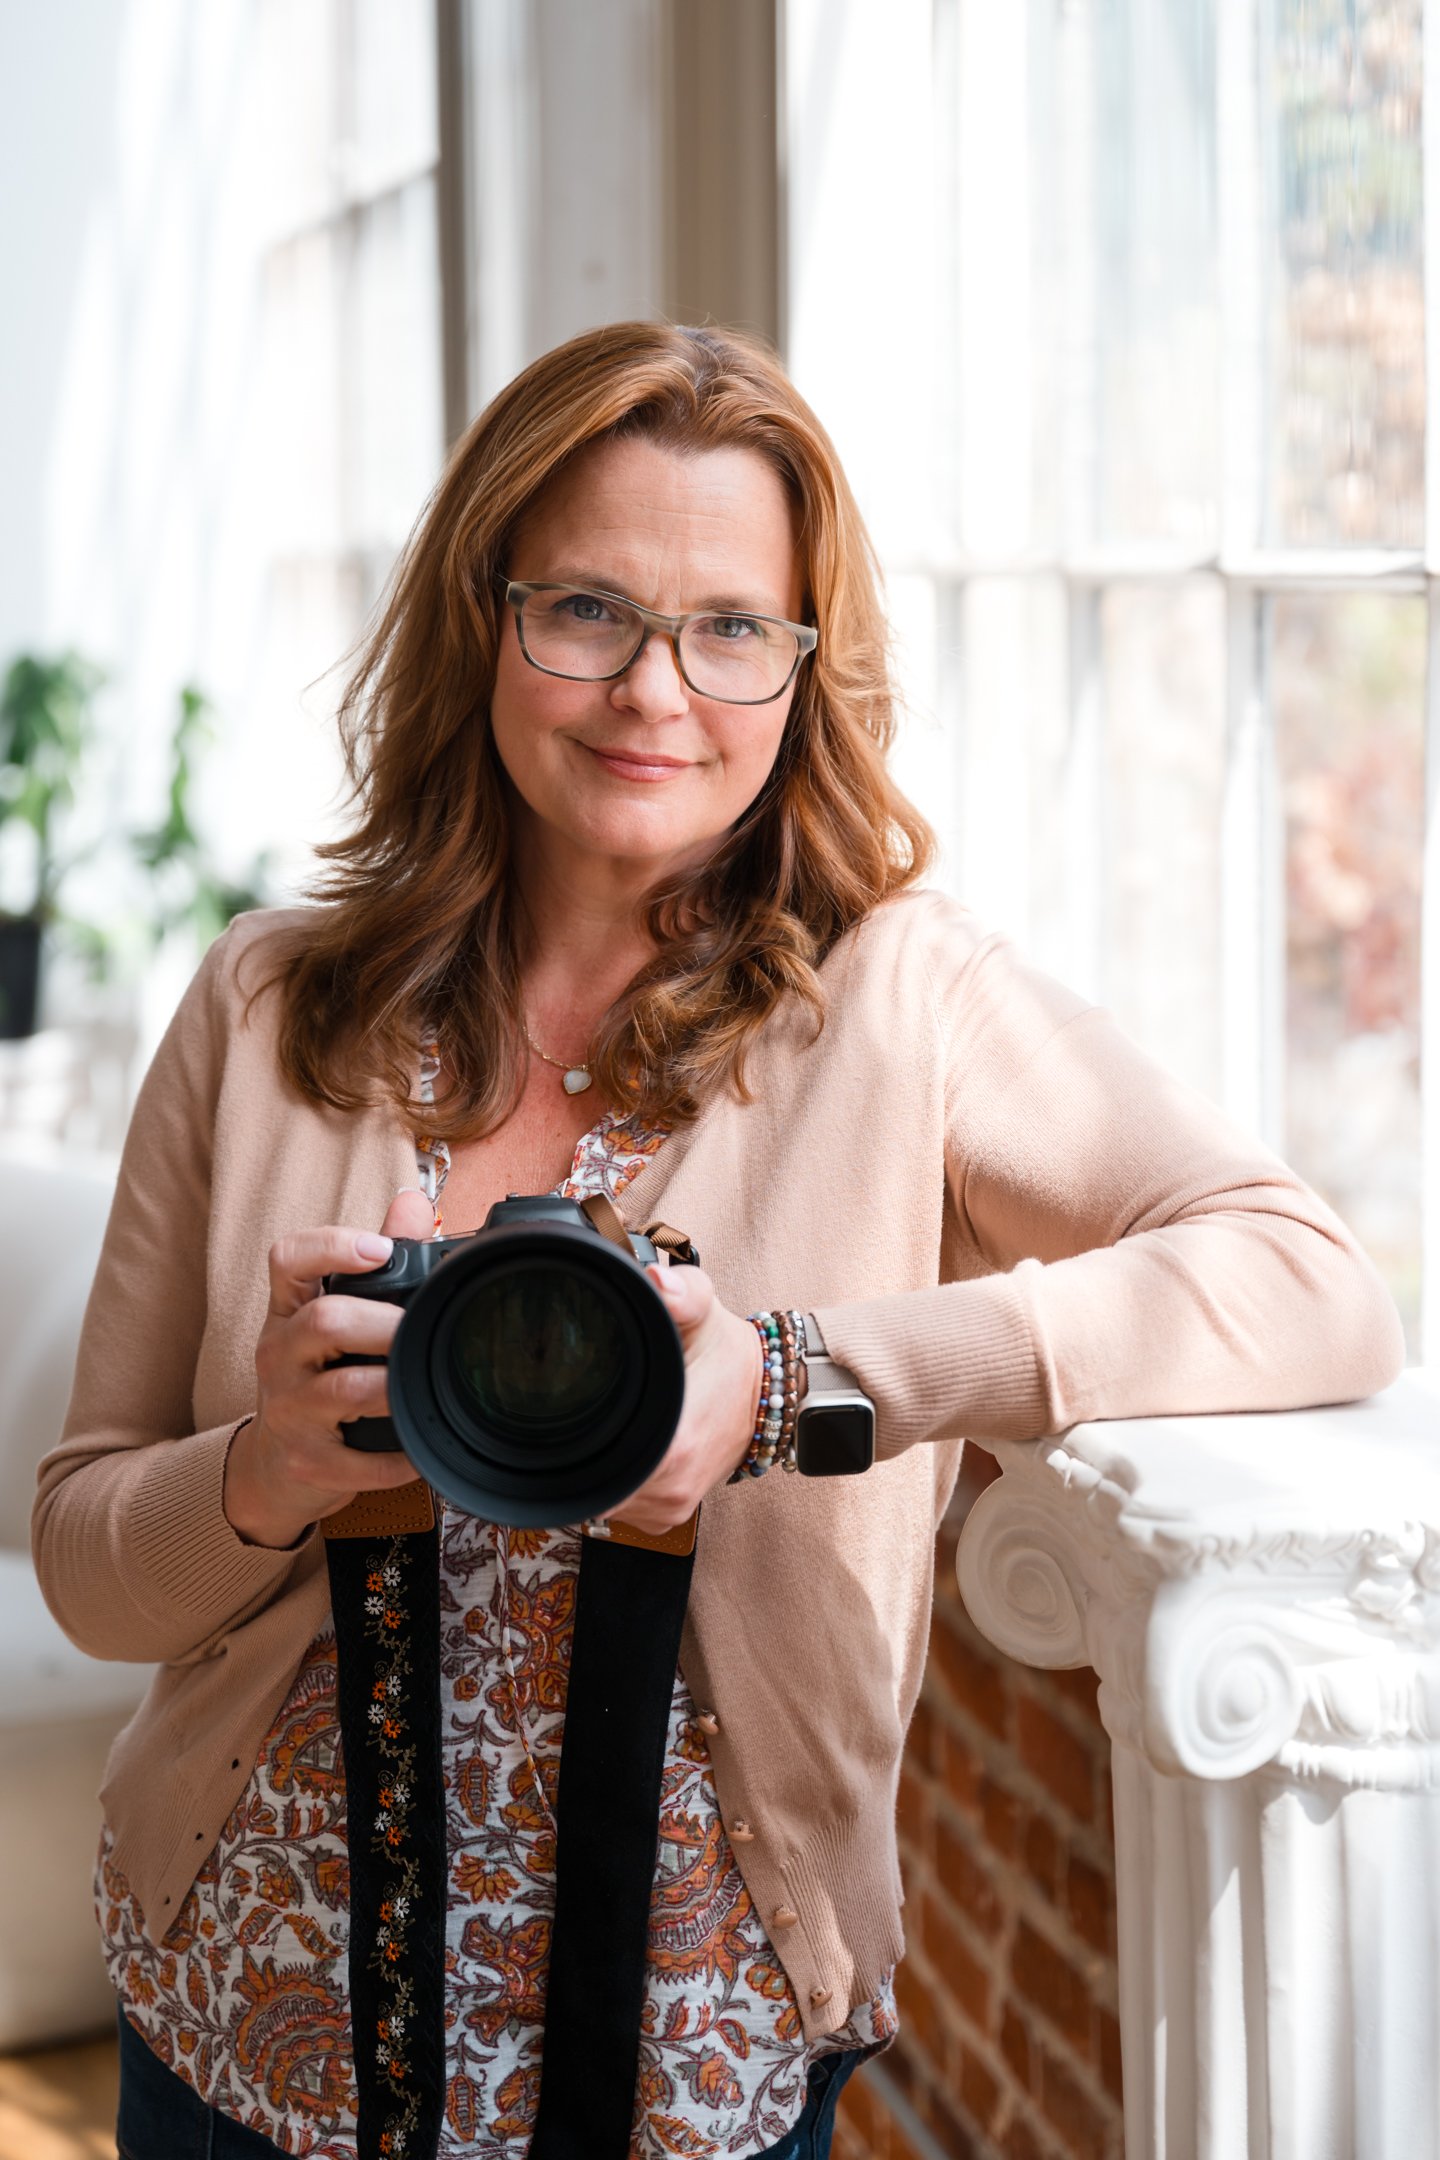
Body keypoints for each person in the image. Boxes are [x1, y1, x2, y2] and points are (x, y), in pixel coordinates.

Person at [34, 321, 1403, 2160]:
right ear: (482, 619)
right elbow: (80, 1554)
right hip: (243, 2027)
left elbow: (1308, 1277)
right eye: (585, 608)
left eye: (732, 627)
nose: (651, 690)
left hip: (697, 2064)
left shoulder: (903, 1001)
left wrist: (785, 1377)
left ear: (804, 664)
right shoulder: (270, 1004)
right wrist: (266, 1471)